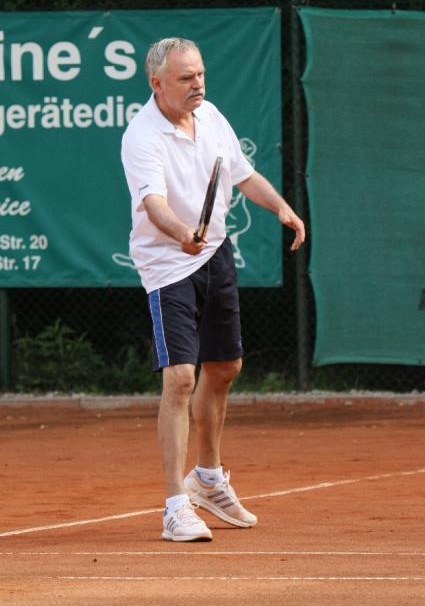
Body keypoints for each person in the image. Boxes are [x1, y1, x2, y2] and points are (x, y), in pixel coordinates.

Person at [121, 37, 305, 542]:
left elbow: (244, 176)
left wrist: (281, 208)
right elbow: (153, 204)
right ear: (157, 84)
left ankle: (206, 477)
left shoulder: (212, 116)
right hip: (168, 265)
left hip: (215, 254)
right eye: (186, 78)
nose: (198, 84)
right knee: (180, 377)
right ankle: (174, 507)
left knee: (224, 367)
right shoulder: (142, 136)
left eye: (200, 74)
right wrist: (183, 234)